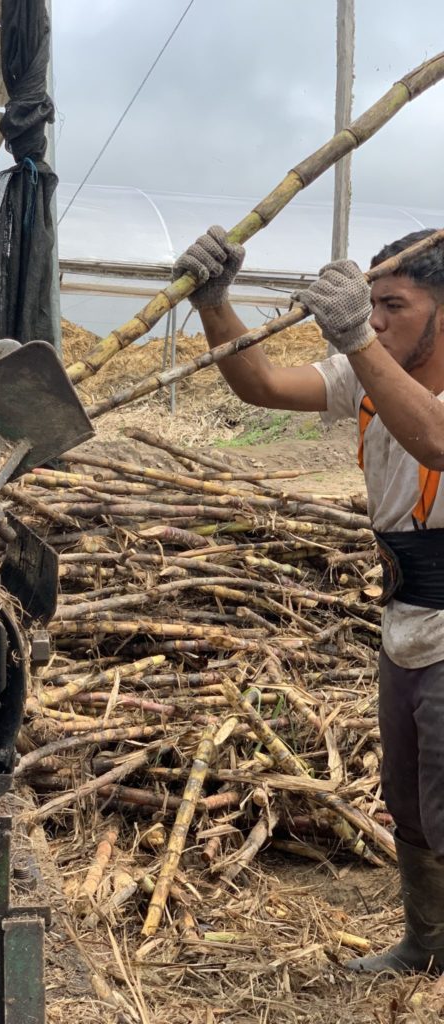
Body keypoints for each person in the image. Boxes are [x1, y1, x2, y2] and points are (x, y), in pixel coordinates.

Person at [173, 225, 444, 974]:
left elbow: (435, 441)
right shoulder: (370, 370)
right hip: (407, 618)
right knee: (411, 803)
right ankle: (429, 946)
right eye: (372, 306)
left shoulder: (375, 360)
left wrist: (357, 335)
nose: (379, 321)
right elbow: (260, 383)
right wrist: (214, 302)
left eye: (396, 305)